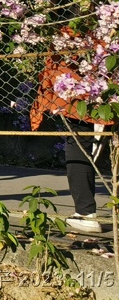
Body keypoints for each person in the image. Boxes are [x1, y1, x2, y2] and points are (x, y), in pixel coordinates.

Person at [31, 47, 113, 234]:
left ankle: (85, 213)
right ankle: (86, 213)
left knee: (78, 140)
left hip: (79, 81)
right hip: (92, 71)